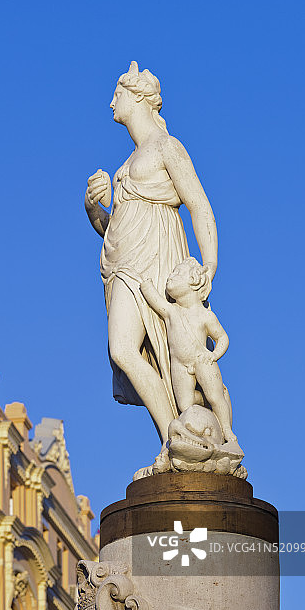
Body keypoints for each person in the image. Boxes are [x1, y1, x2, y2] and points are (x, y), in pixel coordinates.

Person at [85, 61, 218, 453]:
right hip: (124, 265)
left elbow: (200, 206)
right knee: (123, 349)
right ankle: (172, 438)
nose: (111, 102)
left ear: (138, 98)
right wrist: (94, 209)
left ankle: (183, 437)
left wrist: (209, 263)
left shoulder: (166, 147)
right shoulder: (125, 165)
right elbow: (116, 228)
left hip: (158, 259)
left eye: (118, 94)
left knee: (171, 356)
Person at [133, 258, 236, 444]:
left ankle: (227, 431)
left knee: (216, 396)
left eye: (177, 273)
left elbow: (222, 338)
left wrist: (213, 355)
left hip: (201, 360)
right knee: (185, 405)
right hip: (180, 365)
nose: (169, 278)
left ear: (194, 281)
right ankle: (204, 400)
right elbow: (156, 301)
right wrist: (145, 284)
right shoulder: (172, 311)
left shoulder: (205, 315)